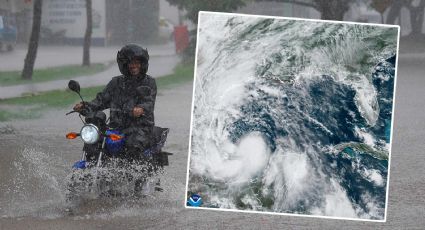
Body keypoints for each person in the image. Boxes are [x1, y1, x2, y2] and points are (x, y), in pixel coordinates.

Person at [73, 44, 157, 159]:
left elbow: (148, 101)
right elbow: (101, 100)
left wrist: (140, 109)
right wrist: (85, 106)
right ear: (124, 65)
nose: (134, 66)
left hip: (139, 127)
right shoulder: (116, 83)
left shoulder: (149, 82)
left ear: (142, 64)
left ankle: (136, 174)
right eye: (130, 63)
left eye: (137, 62)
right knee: (94, 142)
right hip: (115, 127)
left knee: (133, 145)